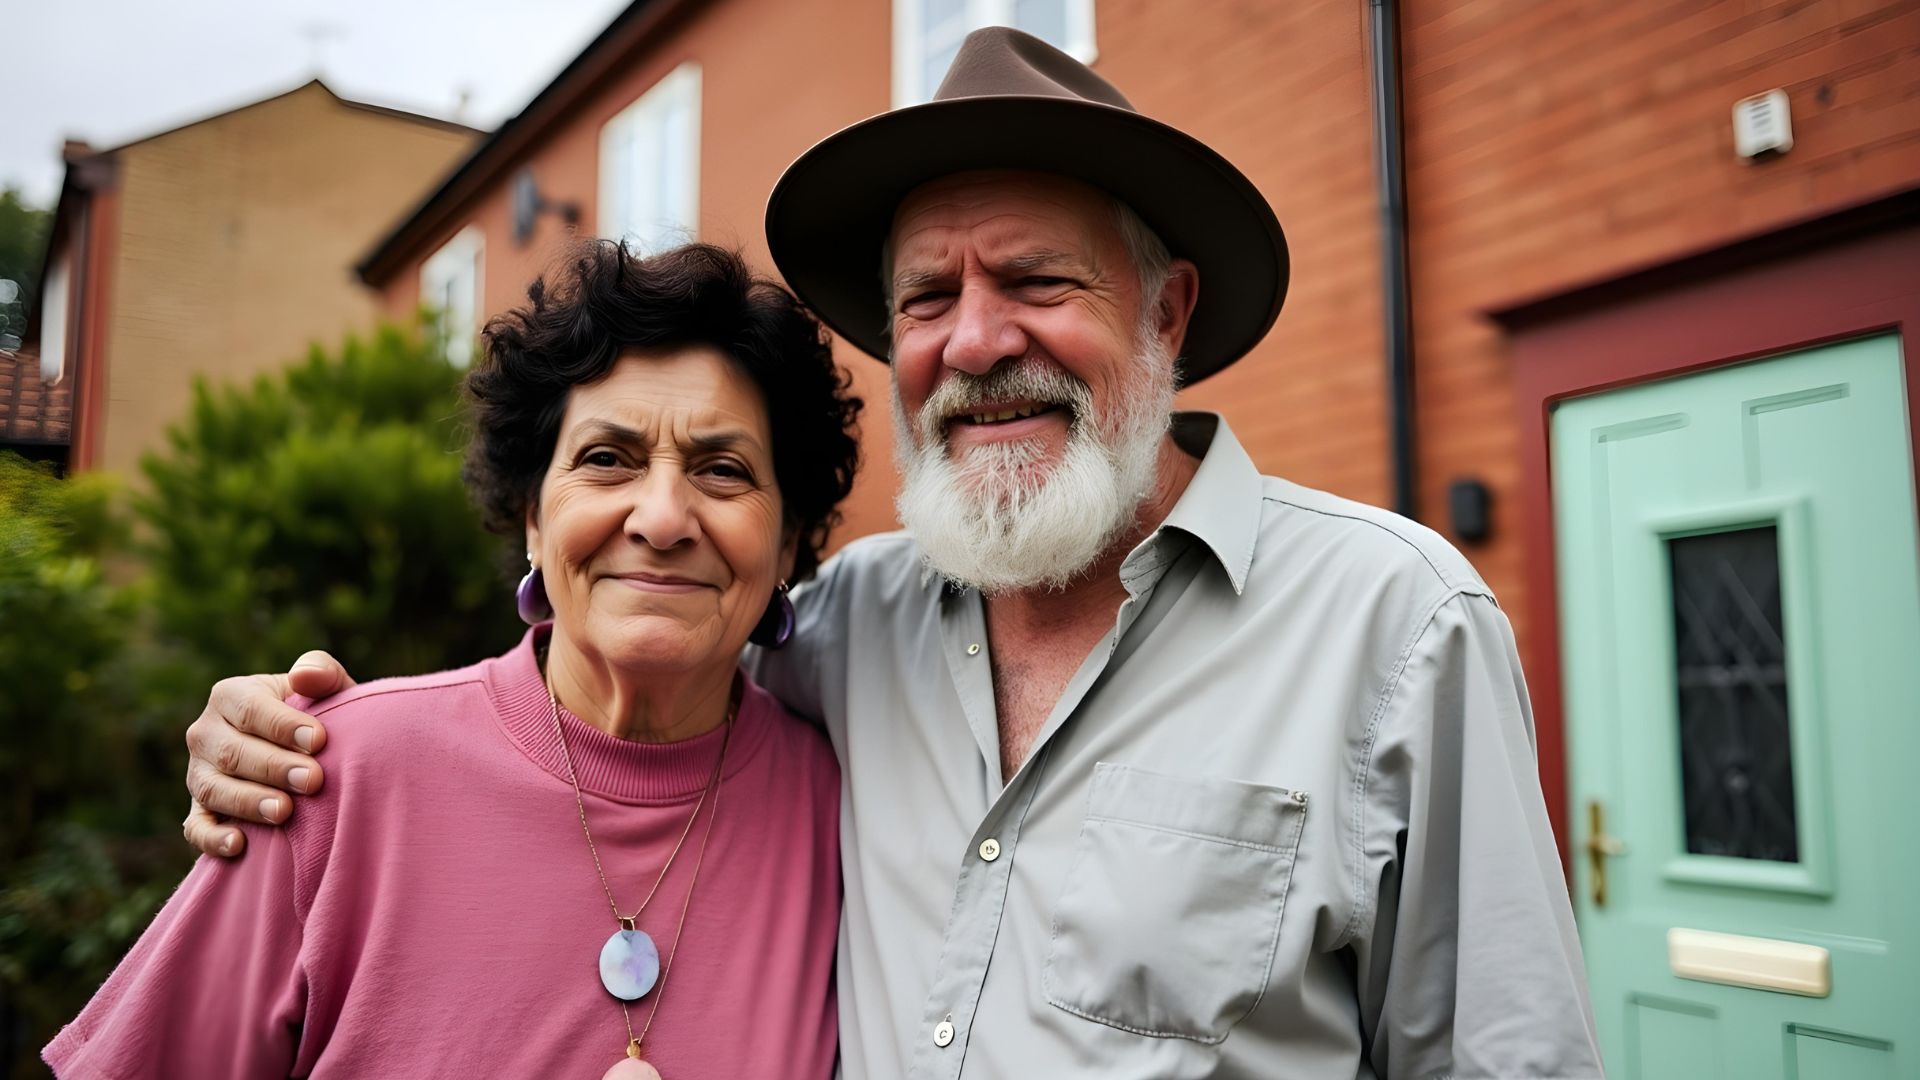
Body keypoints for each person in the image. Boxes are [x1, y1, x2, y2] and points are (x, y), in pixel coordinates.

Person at [173, 28, 1604, 1080]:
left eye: (1038, 280)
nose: (977, 342)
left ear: (1167, 310)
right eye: (929, 297)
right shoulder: (843, 626)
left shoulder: (1396, 624)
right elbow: (635, 645)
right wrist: (287, 739)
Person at [47, 242, 857, 1079]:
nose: (661, 517)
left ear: (787, 540)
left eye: (722, 470)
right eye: (606, 459)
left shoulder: (841, 812)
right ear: (534, 518)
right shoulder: (330, 775)